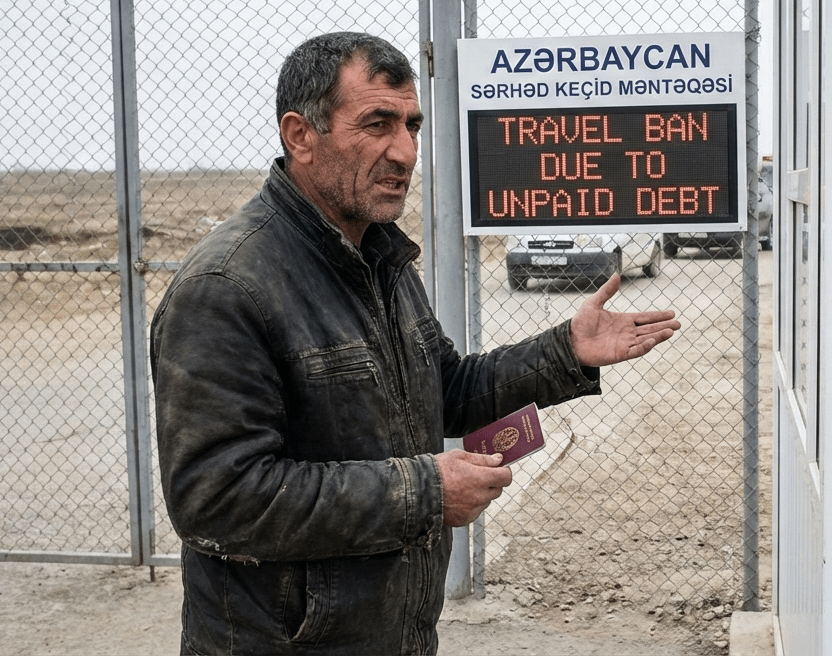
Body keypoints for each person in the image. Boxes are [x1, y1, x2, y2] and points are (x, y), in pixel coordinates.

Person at [150, 32, 681, 655]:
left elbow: (445, 391)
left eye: (412, 126)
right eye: (377, 124)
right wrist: (425, 491)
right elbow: (217, 498)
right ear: (301, 136)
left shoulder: (381, 259)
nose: (404, 151)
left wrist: (566, 351)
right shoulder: (226, 288)